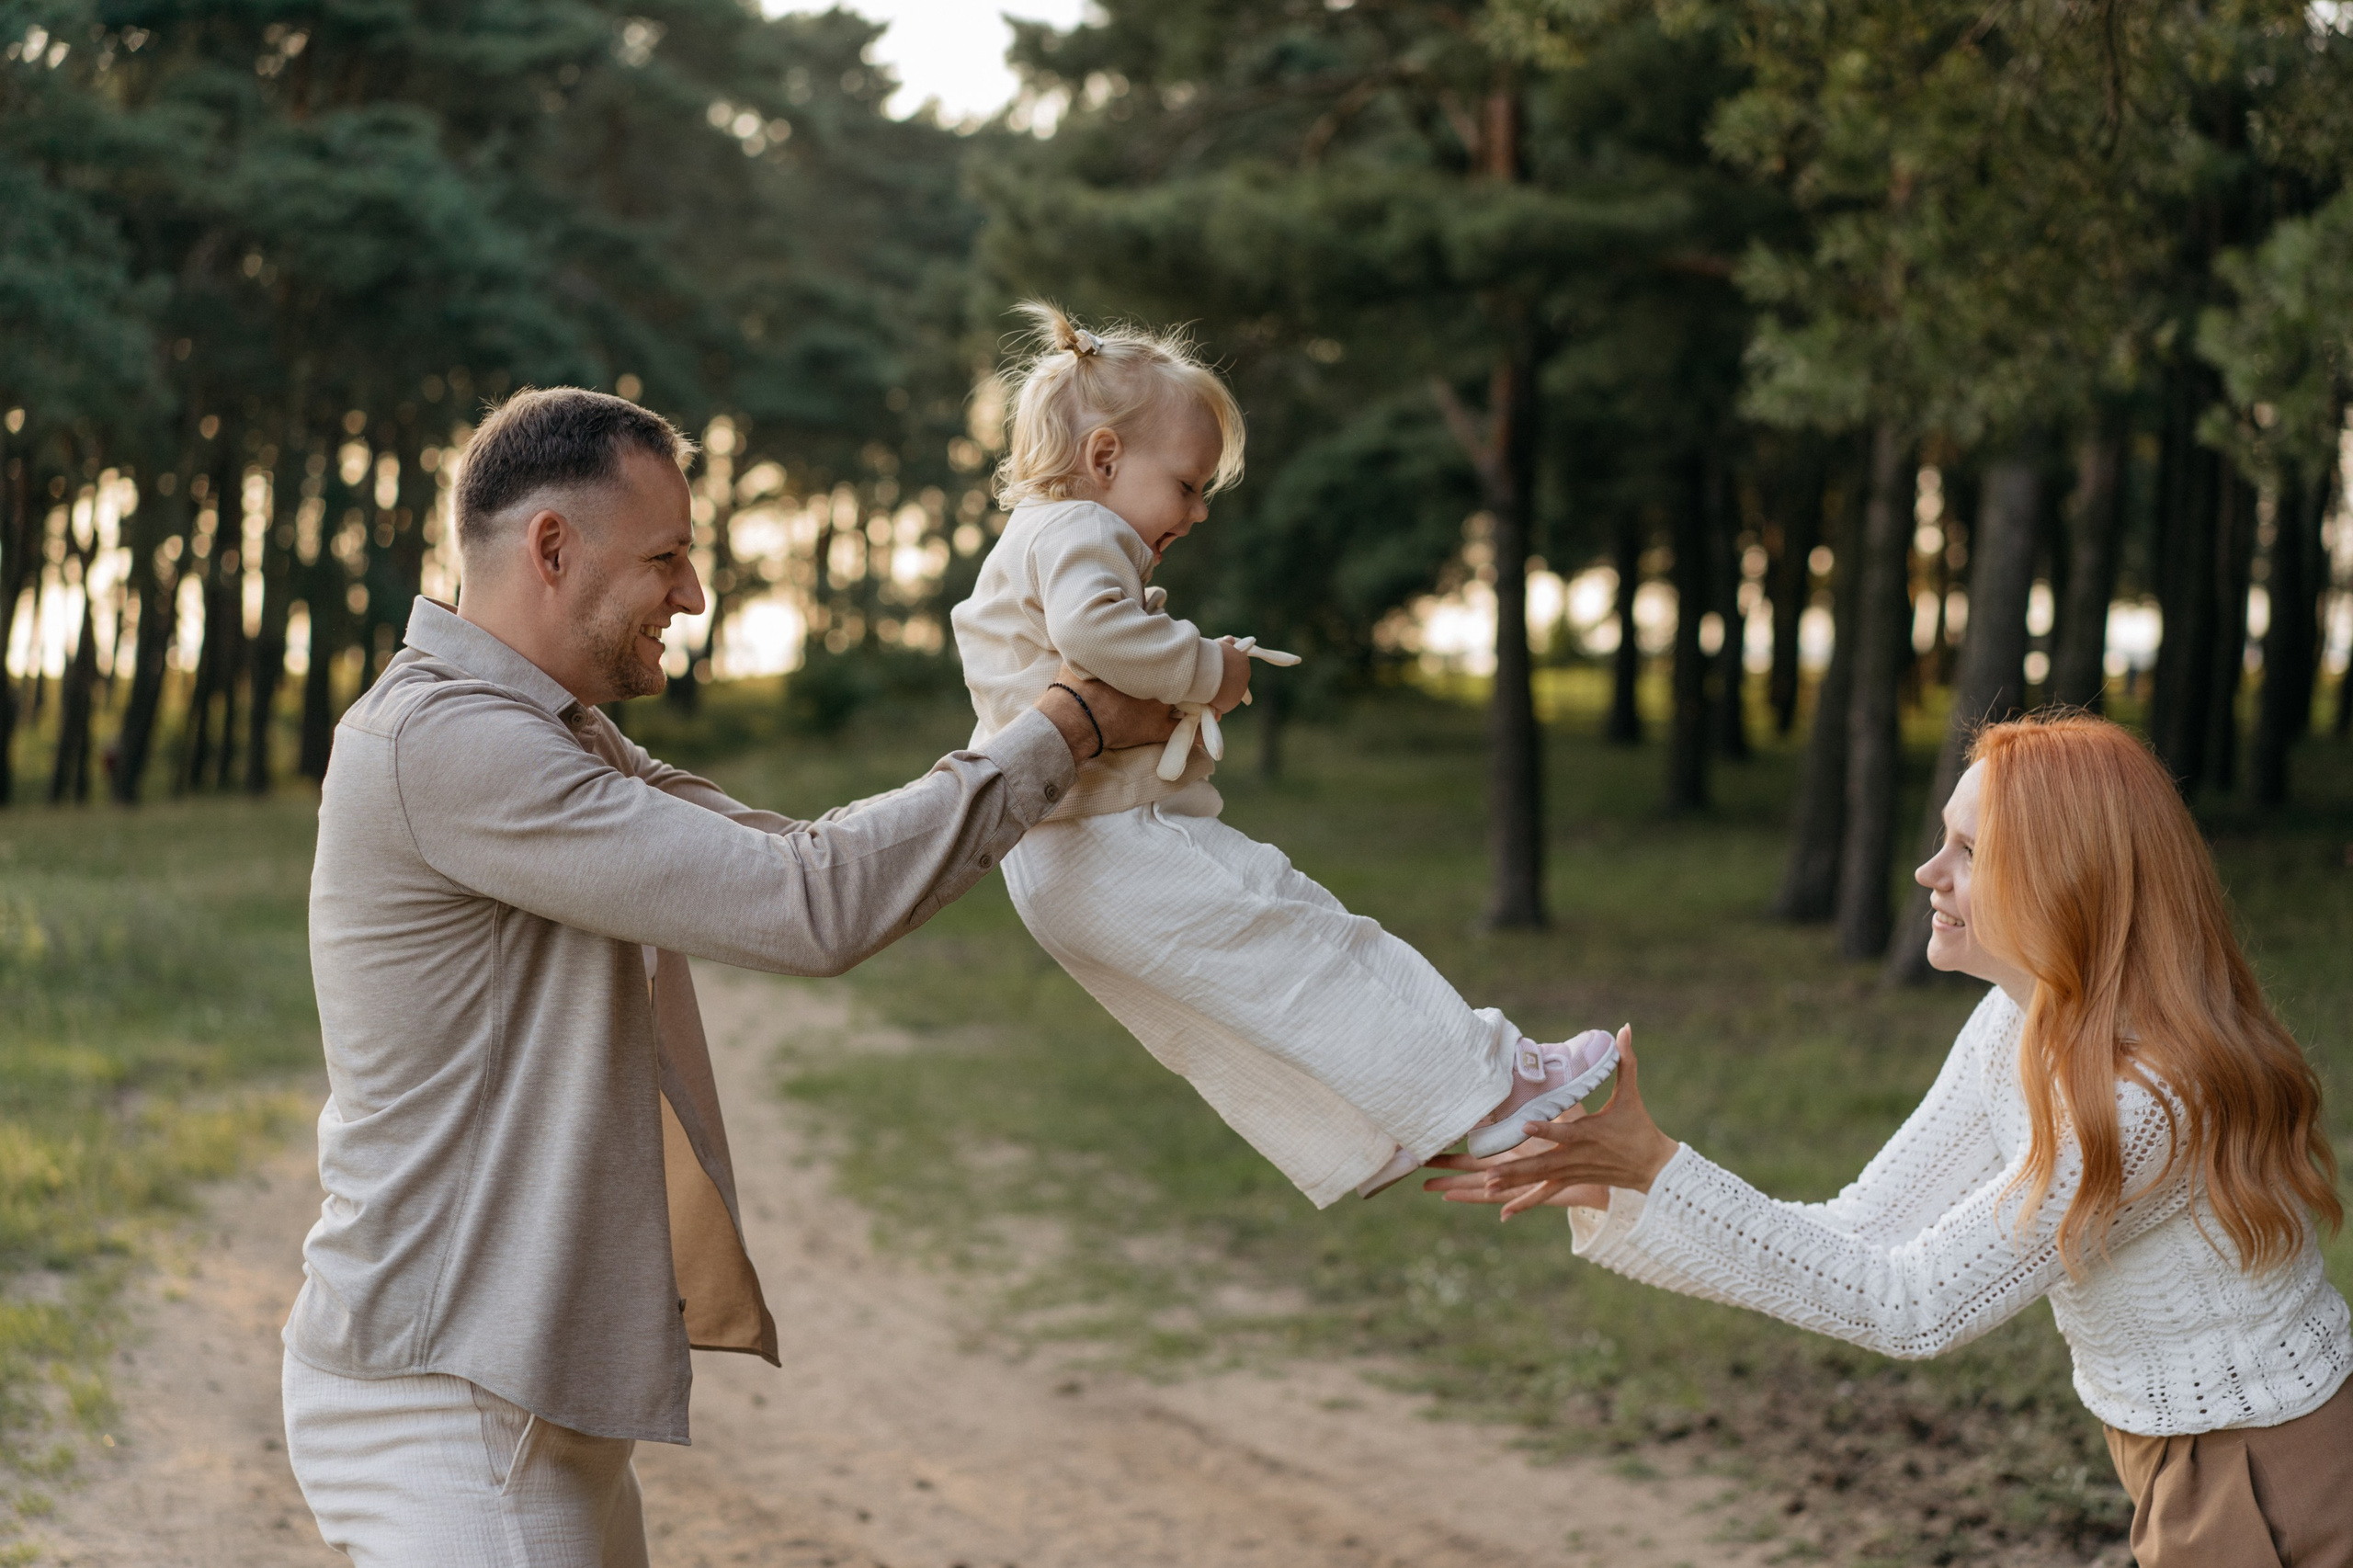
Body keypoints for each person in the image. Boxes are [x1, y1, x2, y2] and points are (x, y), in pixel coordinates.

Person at [284, 386, 1176, 1567]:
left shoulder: (556, 734)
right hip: (448, 1407)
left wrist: (1043, 727)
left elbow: (801, 855)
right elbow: (810, 905)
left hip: (511, 1393)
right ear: (551, 547)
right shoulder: (449, 742)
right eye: (666, 558)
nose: (695, 595)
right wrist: (1064, 726)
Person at [1427, 714, 2351, 1566]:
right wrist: (1618, 1185)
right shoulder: (2019, 1022)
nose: (1927, 871)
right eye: (1943, 838)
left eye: (1969, 851)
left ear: (2063, 880)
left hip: (2266, 1475)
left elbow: (1914, 1304)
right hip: (2201, 1460)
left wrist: (1657, 1167)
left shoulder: (2145, 1098)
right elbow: (1866, 1225)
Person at [950, 302, 1619, 1209]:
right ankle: (1496, 1081)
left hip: (1047, 861)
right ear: (1104, 457)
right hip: (1116, 835)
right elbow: (1094, 632)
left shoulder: (1028, 540)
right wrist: (1209, 670)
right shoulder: (1080, 529)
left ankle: (1369, 1132)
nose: (1196, 512)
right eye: (1187, 485)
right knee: (1312, 943)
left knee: (1221, 1007)